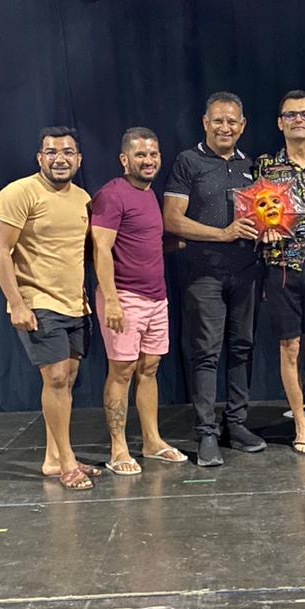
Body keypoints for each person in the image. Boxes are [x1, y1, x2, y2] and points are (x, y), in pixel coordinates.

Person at [0, 127, 99, 491]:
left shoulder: (83, 198)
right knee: (55, 379)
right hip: (38, 303)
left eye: (67, 152)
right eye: (51, 152)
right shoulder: (19, 192)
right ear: (40, 158)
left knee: (67, 379)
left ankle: (53, 458)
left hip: (75, 304)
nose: (60, 159)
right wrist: (17, 303)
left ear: (78, 159)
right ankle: (67, 462)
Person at [163, 92, 267, 467]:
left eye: (232, 121)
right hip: (203, 273)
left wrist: (269, 230)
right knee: (206, 353)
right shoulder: (188, 161)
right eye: (218, 121)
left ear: (243, 125)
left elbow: (267, 215)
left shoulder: (253, 167)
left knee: (242, 348)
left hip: (247, 272)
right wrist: (223, 234)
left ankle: (235, 424)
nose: (225, 127)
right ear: (205, 123)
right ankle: (206, 432)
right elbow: (172, 219)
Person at [91, 127, 187, 475]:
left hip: (156, 298)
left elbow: (141, 244)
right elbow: (101, 248)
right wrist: (112, 300)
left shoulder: (149, 195)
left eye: (153, 154)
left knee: (149, 369)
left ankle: (151, 441)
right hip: (124, 297)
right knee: (122, 371)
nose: (148, 160)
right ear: (124, 159)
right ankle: (118, 448)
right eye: (141, 155)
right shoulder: (112, 195)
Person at [254, 91, 305, 455]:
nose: (298, 120)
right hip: (282, 267)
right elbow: (251, 213)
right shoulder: (265, 167)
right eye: (290, 115)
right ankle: (300, 425)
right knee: (289, 348)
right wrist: (261, 230)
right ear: (280, 123)